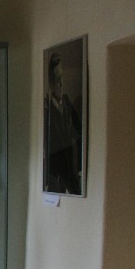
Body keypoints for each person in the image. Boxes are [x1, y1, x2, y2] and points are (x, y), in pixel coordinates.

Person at [43, 52, 82, 194]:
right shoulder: (46, 109)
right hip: (55, 174)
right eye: (57, 80)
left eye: (62, 79)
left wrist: (80, 169)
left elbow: (80, 134)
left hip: (70, 169)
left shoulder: (67, 104)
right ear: (51, 84)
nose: (61, 84)